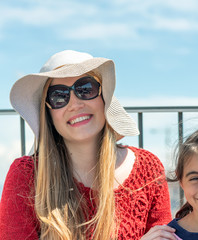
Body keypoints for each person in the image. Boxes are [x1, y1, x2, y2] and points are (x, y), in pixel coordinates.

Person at [0, 50, 172, 239]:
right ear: (48, 113)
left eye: (85, 88)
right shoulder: (27, 175)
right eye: (58, 96)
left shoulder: (148, 169)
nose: (74, 104)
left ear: (103, 97)